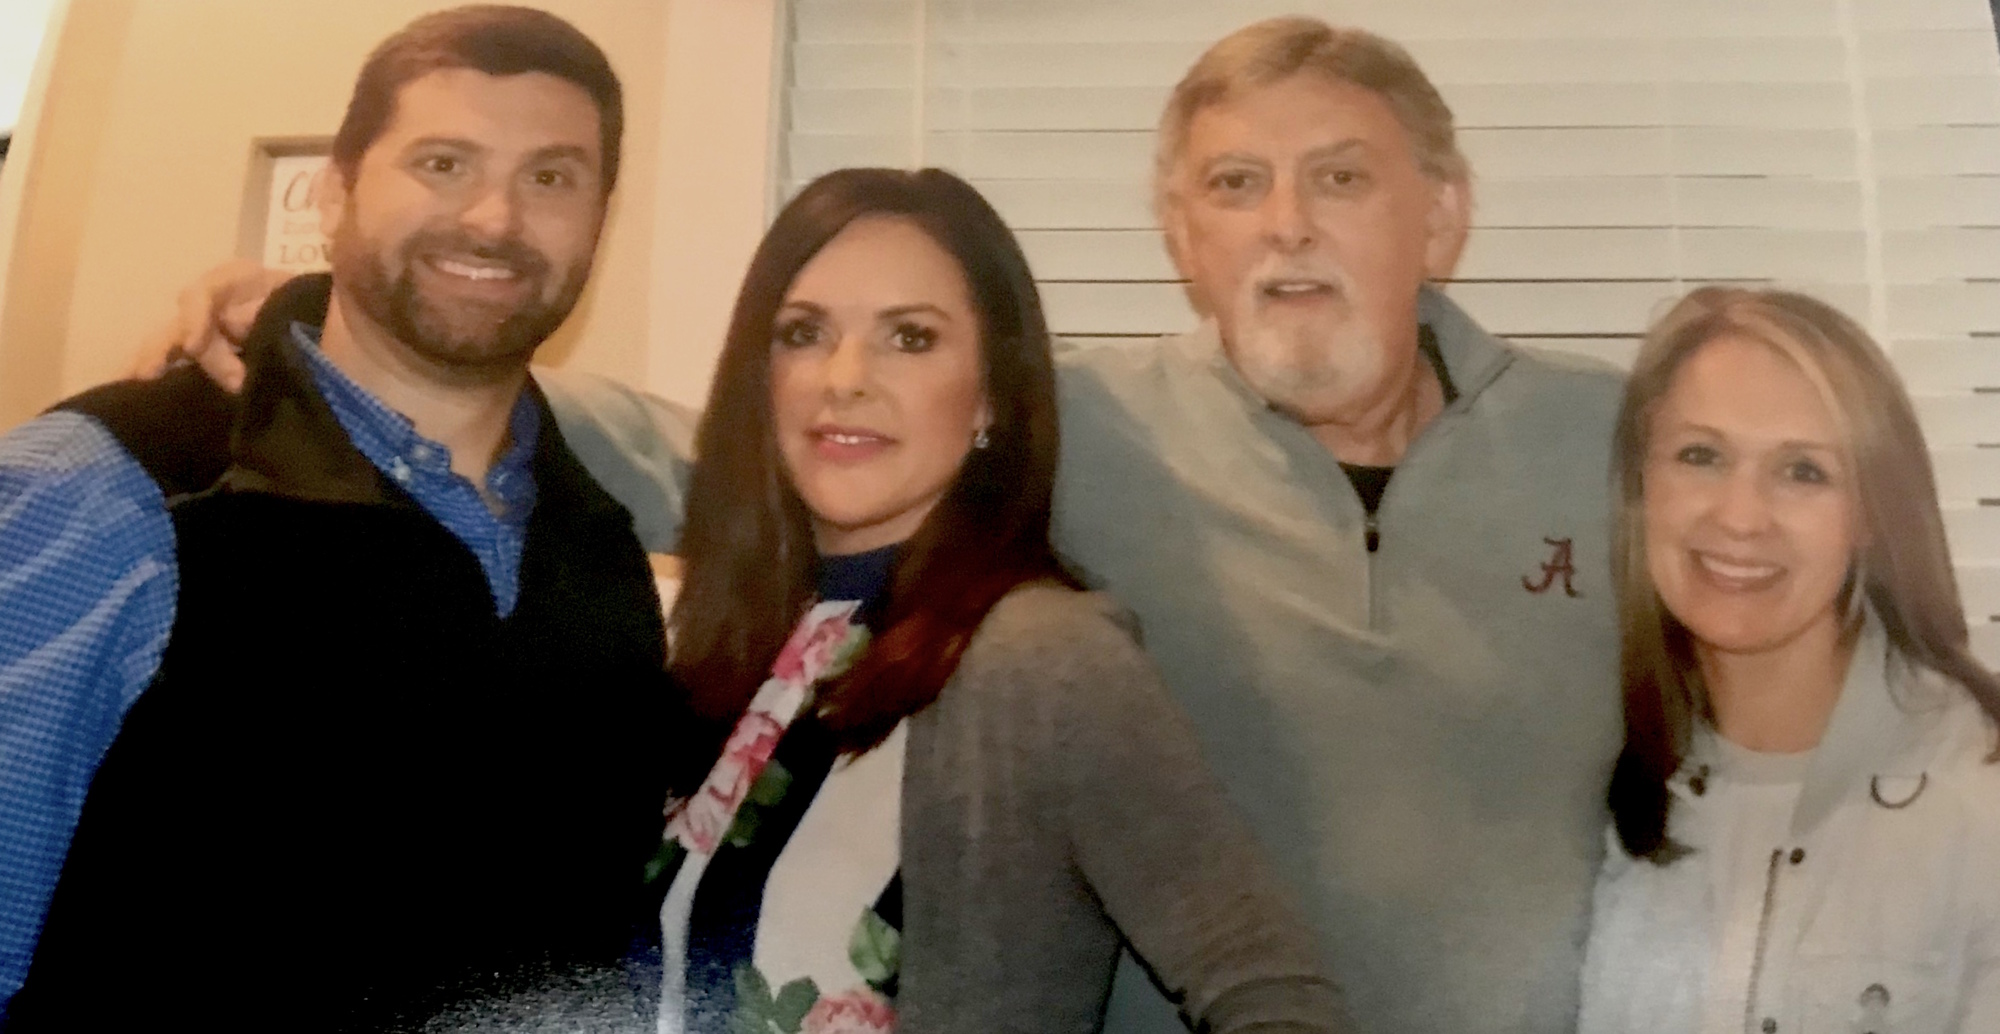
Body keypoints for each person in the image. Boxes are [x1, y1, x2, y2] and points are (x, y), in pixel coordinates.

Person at [145, 17, 1627, 1033]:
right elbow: (691, 445)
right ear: (1183, 235)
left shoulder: (1618, 447)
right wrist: (318, 336)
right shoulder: (760, 658)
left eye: (1341, 177)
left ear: (1442, 214)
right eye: (1237, 185)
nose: (1287, 222)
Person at [0, 8, 671, 1027]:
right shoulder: (113, 485)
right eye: (442, 163)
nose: (494, 219)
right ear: (336, 191)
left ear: (599, 218)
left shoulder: (604, 548)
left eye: (550, 176)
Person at [635, 165, 1345, 1034]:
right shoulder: (730, 654)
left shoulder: (1045, 661)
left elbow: (1274, 995)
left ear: (992, 401)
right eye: (804, 332)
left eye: (912, 338)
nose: (845, 376)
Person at [1577, 288, 2000, 1033]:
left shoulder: (1976, 798)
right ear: (1642, 486)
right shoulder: (1590, 781)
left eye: (1803, 471)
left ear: (1870, 513)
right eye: (1700, 456)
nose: (1740, 516)